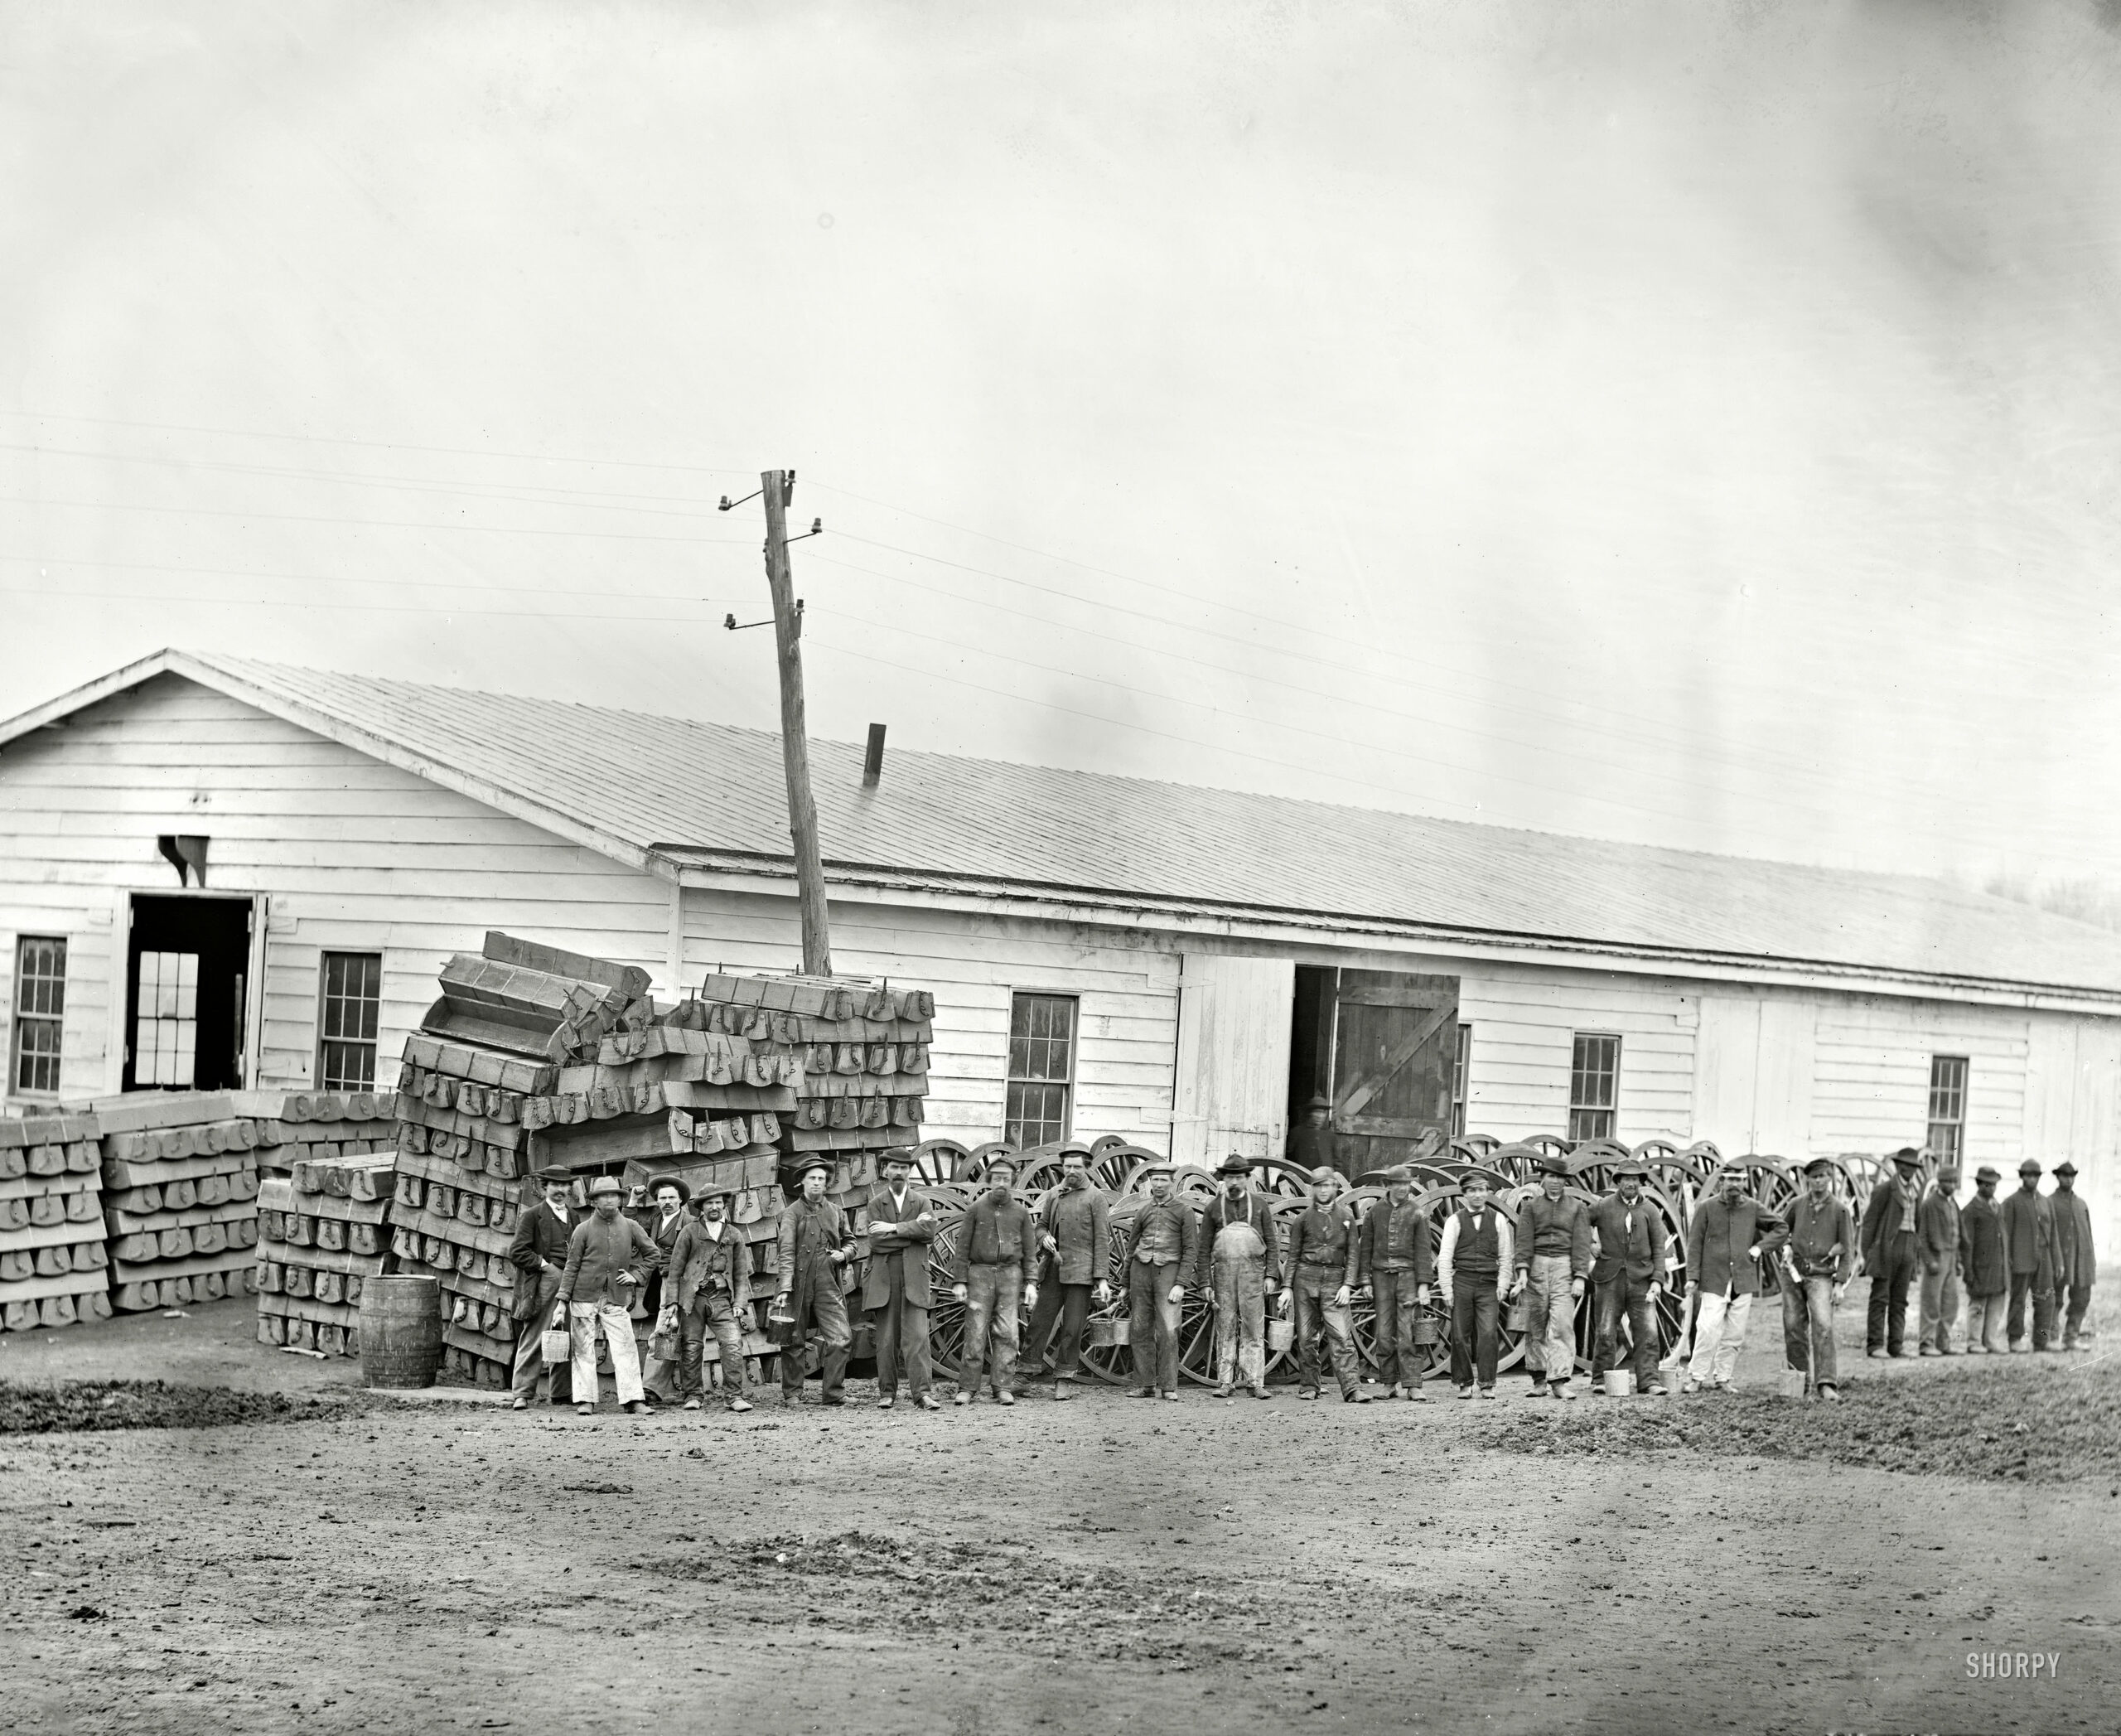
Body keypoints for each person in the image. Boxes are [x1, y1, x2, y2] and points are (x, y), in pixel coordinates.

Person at [552, 1175, 662, 1418]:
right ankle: (585, 1399)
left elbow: (653, 1254)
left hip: (615, 1298)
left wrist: (636, 1275)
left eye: (614, 1195)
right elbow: (571, 1266)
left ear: (620, 1199)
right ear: (594, 1202)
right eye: (604, 1196)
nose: (610, 1200)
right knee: (582, 1349)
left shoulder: (631, 1227)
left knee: (625, 1346)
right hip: (583, 1296)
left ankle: (633, 1400)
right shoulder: (583, 1229)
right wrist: (562, 1302)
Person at [1019, 1144, 1113, 1401]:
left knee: (1072, 1328)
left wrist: (1101, 1279)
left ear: (1087, 1168)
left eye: (1077, 1167)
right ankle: (1024, 1375)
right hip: (1053, 1271)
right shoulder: (1053, 1194)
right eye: (1068, 1166)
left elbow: (1102, 1241)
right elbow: (1040, 1226)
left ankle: (1064, 1378)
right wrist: (1044, 1237)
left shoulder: (1095, 1198)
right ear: (1062, 1167)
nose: (1071, 1171)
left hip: (1081, 1275)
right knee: (1038, 1324)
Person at [1682, 1166, 1786, 1394]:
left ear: (1745, 1183)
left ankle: (1724, 1377)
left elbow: (1781, 1228)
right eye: (1729, 1180)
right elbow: (1695, 1244)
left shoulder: (1752, 1208)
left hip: (1743, 1278)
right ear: (1721, 1181)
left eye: (1738, 1181)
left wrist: (1761, 1248)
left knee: (1734, 1333)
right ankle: (1697, 1377)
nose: (1733, 1185)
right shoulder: (1707, 1208)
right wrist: (1693, 1276)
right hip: (1714, 1279)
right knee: (1708, 1329)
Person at [949, 1153, 1039, 1405]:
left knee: (1009, 1333)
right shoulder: (976, 1209)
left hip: (1011, 1277)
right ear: (989, 1180)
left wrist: (1031, 1283)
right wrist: (959, 1281)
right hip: (980, 1275)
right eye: (997, 1178)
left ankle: (1002, 1386)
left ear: (1013, 1181)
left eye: (1006, 1179)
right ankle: (967, 1388)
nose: (1001, 1183)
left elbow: (1030, 1253)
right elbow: (962, 1248)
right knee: (975, 1333)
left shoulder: (1020, 1213)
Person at [1195, 1154, 1283, 1400]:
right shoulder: (1214, 1207)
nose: (1234, 1182)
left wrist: (1270, 1275)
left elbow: (1272, 1244)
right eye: (1230, 1177)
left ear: (1246, 1178)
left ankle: (1256, 1382)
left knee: (1254, 1328)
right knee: (1225, 1328)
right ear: (1223, 1178)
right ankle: (1225, 1382)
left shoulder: (1260, 1205)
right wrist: (1205, 1282)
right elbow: (1203, 1249)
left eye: (1239, 1177)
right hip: (1223, 1273)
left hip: (1253, 1273)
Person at [663, 1186, 754, 1413]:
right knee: (692, 1347)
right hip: (693, 1300)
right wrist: (672, 1303)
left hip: (723, 1299)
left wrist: (740, 1303)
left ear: (724, 1205)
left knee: (733, 1344)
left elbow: (741, 1274)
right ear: (701, 1207)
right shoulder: (689, 1232)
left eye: (718, 1203)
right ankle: (693, 1395)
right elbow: (675, 1271)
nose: (714, 1207)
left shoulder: (734, 1234)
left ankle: (733, 1396)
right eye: (709, 1203)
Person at [862, 1148, 941, 1410]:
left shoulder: (922, 1202)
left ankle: (923, 1394)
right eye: (894, 1167)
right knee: (886, 1340)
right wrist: (912, 1230)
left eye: (904, 1168)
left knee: (918, 1337)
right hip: (885, 1276)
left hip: (915, 1277)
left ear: (910, 1172)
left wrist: (893, 1228)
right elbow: (876, 1242)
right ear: (885, 1171)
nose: (899, 1172)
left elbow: (929, 1232)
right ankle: (887, 1393)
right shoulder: (876, 1204)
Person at [774, 1160, 855, 1406]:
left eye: (821, 1179)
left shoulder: (836, 1211)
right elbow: (786, 1251)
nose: (817, 1183)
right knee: (793, 1339)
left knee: (841, 1338)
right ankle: (793, 1394)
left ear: (827, 1183)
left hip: (828, 1281)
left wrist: (845, 1254)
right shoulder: (792, 1213)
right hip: (798, 1282)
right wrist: (785, 1288)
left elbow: (851, 1242)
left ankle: (833, 1393)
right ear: (803, 1182)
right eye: (812, 1178)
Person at [1513, 1154, 1593, 1400]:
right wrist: (1523, 1274)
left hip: (1563, 1269)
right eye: (1550, 1176)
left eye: (1559, 1177)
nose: (1555, 1181)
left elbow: (1582, 1244)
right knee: (1536, 1325)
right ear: (1543, 1179)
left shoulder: (1577, 1208)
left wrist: (1580, 1276)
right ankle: (1539, 1380)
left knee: (1562, 1325)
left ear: (1565, 1181)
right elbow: (1523, 1242)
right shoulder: (1531, 1207)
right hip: (1536, 1267)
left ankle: (1559, 1380)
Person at [1587, 1158, 1668, 1396]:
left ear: (1641, 1182)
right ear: (1618, 1182)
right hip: (1609, 1278)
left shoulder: (1650, 1210)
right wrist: (1591, 1244)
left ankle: (1649, 1381)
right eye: (1625, 1179)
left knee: (1648, 1331)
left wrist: (1657, 1280)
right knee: (1604, 1330)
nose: (1630, 1183)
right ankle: (1601, 1379)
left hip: (1642, 1279)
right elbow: (1580, 1223)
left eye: (1634, 1179)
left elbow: (1659, 1248)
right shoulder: (1603, 1206)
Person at [1283, 1166, 1364, 1403]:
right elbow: (1293, 1255)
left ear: (1334, 1188)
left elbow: (1352, 1255)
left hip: (1335, 1282)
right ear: (1313, 1189)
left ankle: (1352, 1388)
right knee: (1306, 1337)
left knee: (1341, 1336)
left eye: (1327, 1185)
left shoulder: (1346, 1217)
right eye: (1319, 1186)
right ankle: (1309, 1386)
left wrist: (1348, 1285)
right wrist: (1287, 1287)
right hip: (1305, 1280)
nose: (1324, 1190)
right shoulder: (1303, 1219)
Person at [1357, 1163, 1435, 1400]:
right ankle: (1388, 1383)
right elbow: (1366, 1249)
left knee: (1408, 1331)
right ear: (1388, 1185)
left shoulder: (1417, 1213)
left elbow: (1423, 1252)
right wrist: (1365, 1281)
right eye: (1398, 1183)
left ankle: (1413, 1384)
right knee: (1383, 1332)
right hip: (1381, 1278)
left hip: (1408, 1278)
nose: (1402, 1188)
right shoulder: (1374, 1213)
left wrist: (1423, 1286)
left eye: (1406, 1183)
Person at [1780, 1157, 1855, 1400]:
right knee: (1793, 1327)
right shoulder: (1796, 1205)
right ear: (1807, 1180)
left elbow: (1847, 1248)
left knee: (1823, 1327)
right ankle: (1798, 1382)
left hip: (1822, 1276)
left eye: (1822, 1176)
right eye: (1814, 1177)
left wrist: (1840, 1284)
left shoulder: (1840, 1210)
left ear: (1830, 1178)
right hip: (1794, 1274)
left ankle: (1826, 1383)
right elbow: (1780, 1230)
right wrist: (1788, 1245)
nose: (1818, 1181)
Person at [1122, 1161, 1196, 1401]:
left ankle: (1168, 1386)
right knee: (1139, 1329)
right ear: (1149, 1183)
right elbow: (1131, 1247)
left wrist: (1181, 1283)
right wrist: (1125, 1284)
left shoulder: (1184, 1212)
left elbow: (1190, 1251)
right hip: (1140, 1272)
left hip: (1169, 1275)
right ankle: (1144, 1385)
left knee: (1169, 1330)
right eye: (1155, 1180)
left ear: (1172, 1183)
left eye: (1164, 1180)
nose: (1159, 1185)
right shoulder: (1143, 1211)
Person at [1437, 1171, 1513, 1400]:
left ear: (1487, 1192)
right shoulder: (1454, 1220)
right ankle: (1464, 1383)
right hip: (1462, 1282)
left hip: (1489, 1285)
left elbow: (1506, 1256)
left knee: (1489, 1333)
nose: (1477, 1195)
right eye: (1472, 1190)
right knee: (1460, 1335)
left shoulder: (1498, 1220)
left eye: (1481, 1190)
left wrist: (1503, 1284)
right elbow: (1445, 1257)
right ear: (1465, 1194)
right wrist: (1447, 1289)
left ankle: (1487, 1383)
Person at [507, 1168, 577, 1410]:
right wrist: (545, 1266)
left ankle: (561, 1393)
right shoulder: (533, 1215)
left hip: (570, 1284)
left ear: (570, 1189)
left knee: (566, 1336)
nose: (560, 1190)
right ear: (545, 1187)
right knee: (535, 1335)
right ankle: (522, 1393)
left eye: (564, 1185)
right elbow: (517, 1251)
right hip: (543, 1282)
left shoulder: (575, 1217)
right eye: (555, 1185)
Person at [1859, 1148, 1925, 1360]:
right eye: (1904, 1165)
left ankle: (1896, 1345)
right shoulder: (1885, 1189)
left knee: (1900, 1300)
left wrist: (1915, 1252)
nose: (1908, 1169)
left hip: (1907, 1248)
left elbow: (1917, 1223)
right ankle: (1875, 1345)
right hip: (1888, 1248)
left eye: (1913, 1166)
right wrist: (1869, 1253)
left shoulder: (1916, 1192)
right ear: (1897, 1166)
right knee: (1880, 1298)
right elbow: (1869, 1224)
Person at [640, 1179, 694, 1405]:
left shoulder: (690, 1222)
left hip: (679, 1283)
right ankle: (655, 1388)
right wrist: (633, 1201)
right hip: (661, 1280)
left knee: (665, 1332)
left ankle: (651, 1388)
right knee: (670, 1333)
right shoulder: (656, 1220)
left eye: (672, 1197)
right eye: (662, 1198)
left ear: (681, 1199)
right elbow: (632, 1227)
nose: (667, 1202)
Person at [2000, 1158, 2059, 1352]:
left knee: (2046, 1299)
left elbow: (2053, 1234)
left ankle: (2041, 1341)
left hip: (2044, 1258)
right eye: (2027, 1175)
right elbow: (2006, 1234)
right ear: (2022, 1177)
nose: (2031, 1179)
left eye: (2035, 1175)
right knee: (2018, 1300)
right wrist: (2008, 1259)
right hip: (2021, 1258)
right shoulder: (2011, 1202)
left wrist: (2057, 1260)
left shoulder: (2045, 1202)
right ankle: (2014, 1339)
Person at [1958, 1166, 2012, 1354]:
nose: (1991, 1188)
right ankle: (1973, 1342)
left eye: (1994, 1185)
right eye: (1987, 1185)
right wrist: (1969, 1270)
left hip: (1998, 1266)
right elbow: (1966, 1244)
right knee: (1978, 1305)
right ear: (1979, 1185)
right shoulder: (1971, 1210)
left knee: (1996, 1306)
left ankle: (1989, 1340)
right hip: (1980, 1267)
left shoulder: (1997, 1207)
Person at [2050, 1160, 2096, 1352]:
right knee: (2054, 1299)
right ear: (2058, 1177)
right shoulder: (2050, 1202)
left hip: (2081, 1260)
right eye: (2064, 1175)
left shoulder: (2081, 1204)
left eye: (2071, 1176)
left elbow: (2088, 1233)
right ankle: (2051, 1338)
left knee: (2082, 1297)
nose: (2068, 1179)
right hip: (2059, 1260)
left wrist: (2091, 1259)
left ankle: (2071, 1337)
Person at [1916, 1163, 1963, 1356]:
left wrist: (1958, 1260)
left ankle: (1943, 1342)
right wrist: (1929, 1260)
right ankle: (1926, 1344)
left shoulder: (1953, 1204)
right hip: (1936, 1257)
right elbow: (1922, 1237)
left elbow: (1958, 1233)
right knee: (1931, 1302)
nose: (1951, 1185)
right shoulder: (1930, 1204)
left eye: (1954, 1181)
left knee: (1950, 1302)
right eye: (1947, 1182)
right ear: (1940, 1182)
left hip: (1951, 1256)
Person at [1286, 1095, 1337, 1174]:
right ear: (1310, 1113)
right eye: (1317, 1112)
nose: (1320, 1116)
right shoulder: (1297, 1133)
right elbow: (1289, 1159)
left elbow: (1337, 1162)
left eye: (1323, 1112)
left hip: (1325, 1181)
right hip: (1302, 1180)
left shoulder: (1330, 1136)